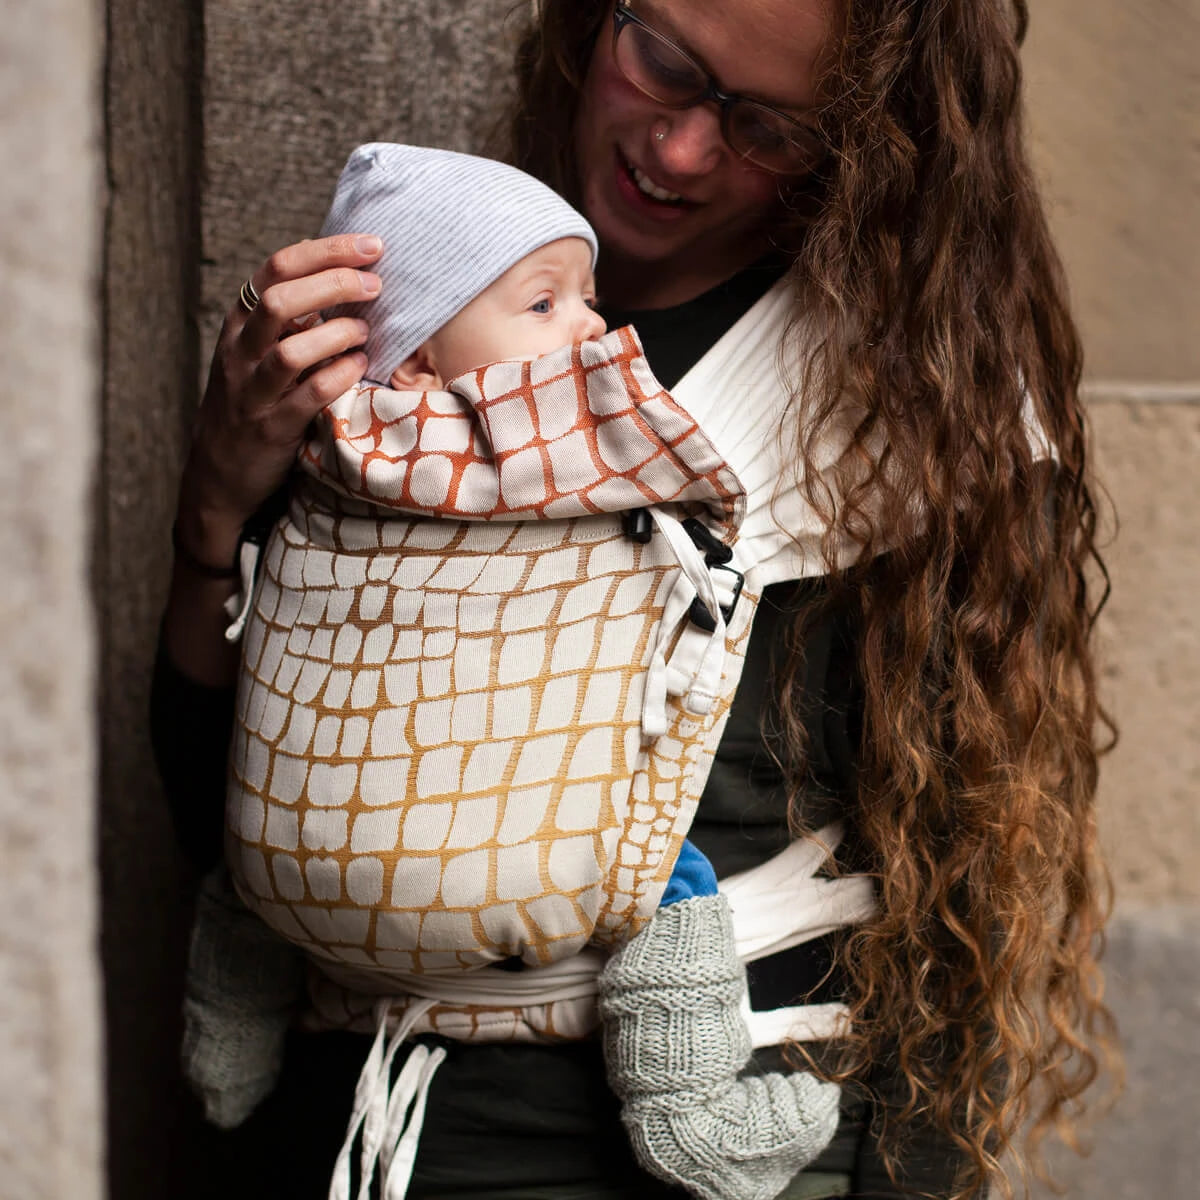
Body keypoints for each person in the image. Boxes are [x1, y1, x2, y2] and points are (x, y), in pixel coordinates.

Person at [154, 1, 1116, 1197]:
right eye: (663, 65)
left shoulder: (902, 412)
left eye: (766, 126)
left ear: (867, 143)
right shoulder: (410, 342)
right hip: (353, 1122)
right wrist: (215, 509)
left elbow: (953, 904)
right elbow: (215, 819)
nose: (678, 152)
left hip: (688, 1151)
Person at [186, 140, 841, 1200]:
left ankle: (229, 1035)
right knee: (665, 886)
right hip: (538, 891)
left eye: (587, 299)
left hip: (302, 855)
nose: (593, 329)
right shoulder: (578, 450)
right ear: (414, 364)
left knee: (256, 844)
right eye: (544, 306)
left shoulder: (316, 466)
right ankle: (691, 1110)